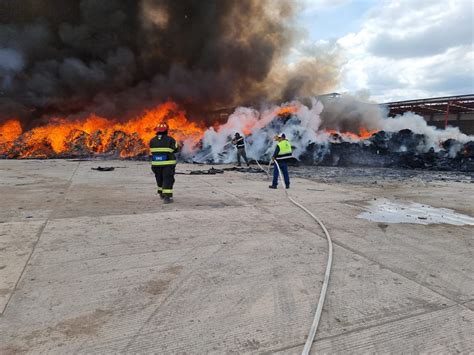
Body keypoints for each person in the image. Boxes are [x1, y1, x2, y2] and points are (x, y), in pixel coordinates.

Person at [149, 122, 179, 204]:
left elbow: (152, 151)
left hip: (156, 165)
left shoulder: (152, 140)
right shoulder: (170, 140)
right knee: (168, 179)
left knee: (159, 179)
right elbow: (176, 149)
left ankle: (161, 193)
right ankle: (167, 197)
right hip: (168, 164)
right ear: (166, 131)